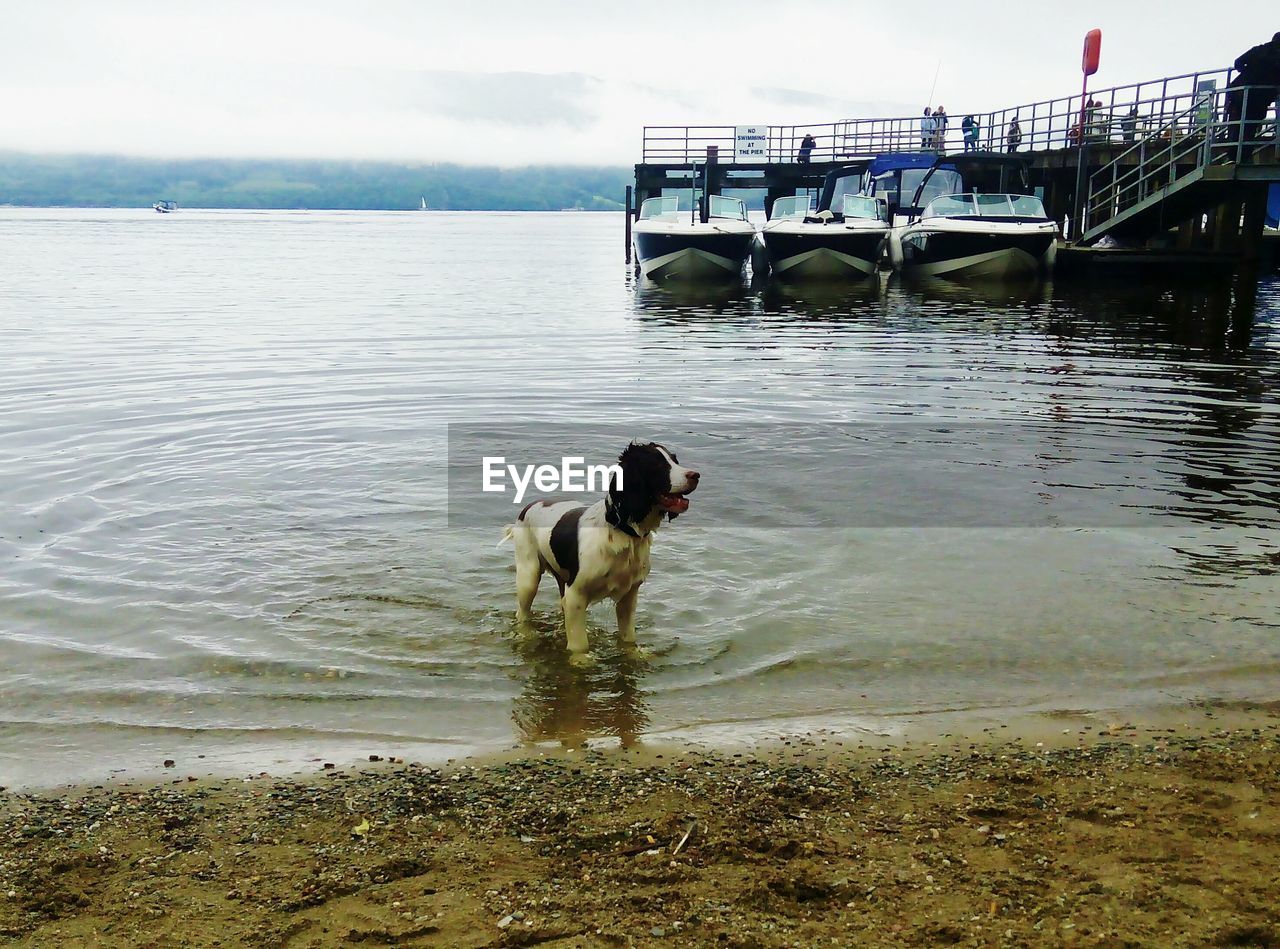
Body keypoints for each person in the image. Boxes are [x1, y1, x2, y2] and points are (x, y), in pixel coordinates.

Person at [1229, 32, 1280, 154]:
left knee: (1236, 124)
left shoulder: (1258, 50)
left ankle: (1233, 156)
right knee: (1250, 126)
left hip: (1240, 91)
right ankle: (1243, 155)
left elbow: (1238, 63)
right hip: (1260, 97)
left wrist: (1250, 71)